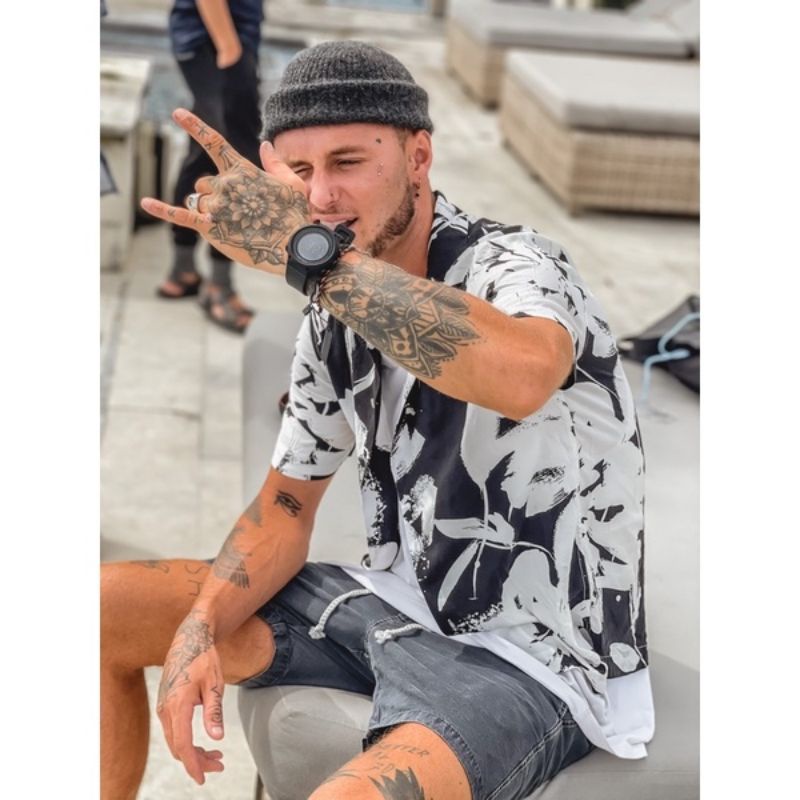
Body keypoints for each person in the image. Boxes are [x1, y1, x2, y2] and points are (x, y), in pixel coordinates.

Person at [102, 41, 653, 800]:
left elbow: (523, 374)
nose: (322, 196)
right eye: (300, 172)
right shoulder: (333, 304)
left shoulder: (519, 264)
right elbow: (286, 504)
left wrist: (308, 258)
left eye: (348, 162)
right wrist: (199, 626)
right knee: (100, 609)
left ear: (418, 156)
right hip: (392, 602)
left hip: (531, 657)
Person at [156, 0, 264, 333]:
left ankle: (183, 271)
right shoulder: (225, 47)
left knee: (204, 151)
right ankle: (220, 288)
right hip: (218, 42)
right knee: (239, 161)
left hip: (210, 40)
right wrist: (230, 48)